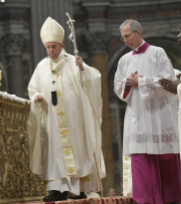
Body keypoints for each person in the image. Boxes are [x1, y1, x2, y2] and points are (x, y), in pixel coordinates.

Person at [27, 17, 106, 202]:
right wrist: (35, 96)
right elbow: (33, 88)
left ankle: (77, 188)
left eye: (54, 46)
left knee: (77, 150)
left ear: (62, 46)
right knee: (54, 153)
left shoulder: (73, 62)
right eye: (48, 47)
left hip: (73, 119)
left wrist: (83, 69)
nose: (51, 50)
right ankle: (57, 189)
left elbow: (94, 79)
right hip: (52, 119)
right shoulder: (41, 67)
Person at [114, 19, 181, 204]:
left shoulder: (157, 53)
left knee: (163, 157)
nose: (126, 40)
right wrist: (128, 83)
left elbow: (169, 82)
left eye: (128, 36)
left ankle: (169, 199)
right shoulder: (124, 60)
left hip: (158, 116)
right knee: (140, 160)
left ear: (138, 33)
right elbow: (118, 87)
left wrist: (141, 83)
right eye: (123, 38)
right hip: (136, 116)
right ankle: (144, 200)